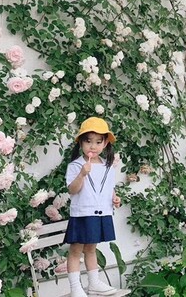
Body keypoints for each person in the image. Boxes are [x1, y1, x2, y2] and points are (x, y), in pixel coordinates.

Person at [65, 117, 122, 297]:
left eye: (98, 142)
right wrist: (82, 174)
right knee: (76, 250)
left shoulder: (108, 167)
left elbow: (107, 187)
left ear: (105, 144)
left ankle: (94, 284)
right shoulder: (75, 166)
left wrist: (114, 198)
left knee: (91, 249)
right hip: (82, 212)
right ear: (81, 142)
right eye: (88, 141)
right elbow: (72, 190)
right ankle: (75, 288)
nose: (93, 146)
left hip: (101, 212)